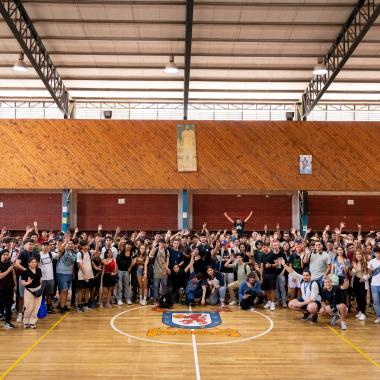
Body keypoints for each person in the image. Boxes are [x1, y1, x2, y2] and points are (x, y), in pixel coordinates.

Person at [280, 258, 321, 323]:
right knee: (291, 304)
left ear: (310, 276)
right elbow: (292, 271)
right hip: (304, 299)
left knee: (311, 307)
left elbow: (312, 298)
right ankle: (306, 313)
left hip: (314, 301)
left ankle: (315, 315)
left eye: (307, 275)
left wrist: (301, 304)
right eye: (304, 275)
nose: (305, 277)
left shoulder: (314, 283)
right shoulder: (302, 278)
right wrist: (284, 264)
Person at [14, 239, 40, 323]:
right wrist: (26, 271)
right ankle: (20, 313)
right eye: (29, 244)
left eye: (32, 244)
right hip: (23, 277)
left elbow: (37, 265)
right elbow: (17, 264)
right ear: (25, 245)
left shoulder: (36, 253)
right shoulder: (22, 253)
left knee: (32, 297)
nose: (31, 246)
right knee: (21, 297)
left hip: (33, 278)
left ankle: (30, 315)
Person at [21, 257, 42, 329]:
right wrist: (28, 282)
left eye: (35, 262)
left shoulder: (39, 270)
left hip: (38, 290)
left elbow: (40, 280)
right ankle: (26, 322)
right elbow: (22, 282)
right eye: (32, 262)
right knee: (29, 307)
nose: (34, 263)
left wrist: (40, 289)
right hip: (29, 290)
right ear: (29, 263)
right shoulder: (25, 272)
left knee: (36, 308)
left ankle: (32, 322)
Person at [56, 239, 75, 314]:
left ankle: (63, 305)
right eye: (69, 243)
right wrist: (65, 242)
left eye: (71, 243)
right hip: (61, 273)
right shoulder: (63, 251)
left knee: (66, 290)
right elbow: (59, 249)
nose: (70, 245)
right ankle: (62, 308)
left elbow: (73, 263)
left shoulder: (74, 253)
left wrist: (73, 273)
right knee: (64, 290)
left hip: (69, 273)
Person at [0, 249, 17, 328]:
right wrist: (8, 270)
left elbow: (13, 274)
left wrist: (15, 285)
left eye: (7, 254)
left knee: (9, 305)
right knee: (1, 304)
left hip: (9, 287)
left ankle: (8, 321)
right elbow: (0, 276)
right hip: (1, 288)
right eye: (4, 254)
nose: (6, 256)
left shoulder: (10, 263)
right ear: (1, 255)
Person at [76, 240, 95, 312]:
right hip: (82, 275)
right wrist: (85, 274)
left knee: (87, 290)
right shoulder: (79, 253)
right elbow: (80, 265)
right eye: (84, 245)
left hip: (90, 274)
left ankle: (86, 305)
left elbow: (95, 252)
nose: (86, 247)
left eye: (86, 245)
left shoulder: (89, 253)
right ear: (81, 246)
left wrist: (96, 242)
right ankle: (79, 306)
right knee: (80, 290)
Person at [351, 250, 368, 321]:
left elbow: (368, 273)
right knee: (357, 297)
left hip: (362, 282)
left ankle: (363, 314)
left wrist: (364, 278)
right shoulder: (355, 263)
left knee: (362, 298)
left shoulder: (365, 263)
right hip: (356, 281)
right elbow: (351, 274)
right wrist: (355, 268)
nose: (358, 255)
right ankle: (360, 311)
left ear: (362, 255)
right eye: (357, 254)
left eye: (359, 254)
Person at [260, 242, 278, 311]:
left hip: (272, 274)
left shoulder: (273, 254)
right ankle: (269, 302)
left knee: (272, 289)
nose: (264, 248)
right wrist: (261, 275)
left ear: (268, 247)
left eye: (265, 247)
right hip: (265, 274)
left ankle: (273, 303)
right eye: (263, 247)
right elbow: (261, 266)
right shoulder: (262, 255)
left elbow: (277, 264)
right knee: (266, 289)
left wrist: (271, 265)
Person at [39, 241, 55, 314]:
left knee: (49, 294)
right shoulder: (38, 254)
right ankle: (40, 308)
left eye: (46, 245)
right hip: (41, 278)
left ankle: (49, 307)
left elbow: (60, 253)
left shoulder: (51, 254)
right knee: (40, 295)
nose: (45, 246)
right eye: (44, 245)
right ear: (41, 246)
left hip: (50, 278)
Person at [116, 240, 133, 305]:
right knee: (120, 286)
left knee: (127, 285)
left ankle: (128, 299)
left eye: (130, 245)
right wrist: (121, 241)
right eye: (128, 244)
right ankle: (119, 299)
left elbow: (131, 261)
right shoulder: (122, 250)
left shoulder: (131, 252)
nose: (129, 246)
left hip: (126, 271)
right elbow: (119, 245)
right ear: (125, 245)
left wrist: (130, 268)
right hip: (120, 270)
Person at [367, 246, 380, 323]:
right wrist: (371, 270)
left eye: (379, 253)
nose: (378, 254)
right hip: (374, 284)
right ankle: (378, 316)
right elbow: (369, 274)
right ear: (374, 253)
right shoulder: (371, 261)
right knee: (376, 302)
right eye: (376, 253)